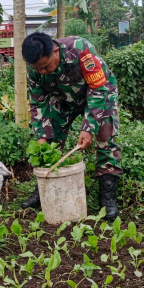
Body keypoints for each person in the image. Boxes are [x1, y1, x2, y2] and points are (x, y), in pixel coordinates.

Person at [21, 33, 121, 220]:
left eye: (45, 66)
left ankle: (107, 197)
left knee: (105, 136)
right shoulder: (35, 67)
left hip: (98, 94)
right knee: (49, 140)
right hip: (65, 100)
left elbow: (99, 90)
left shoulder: (81, 50)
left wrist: (88, 128)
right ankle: (44, 189)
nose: (42, 72)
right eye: (37, 68)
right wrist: (42, 137)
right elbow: (38, 103)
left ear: (56, 51)